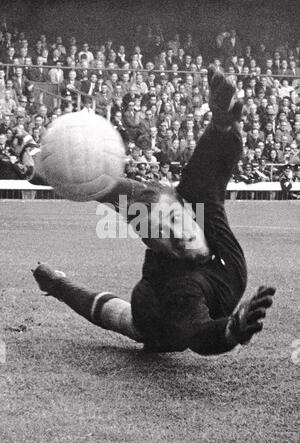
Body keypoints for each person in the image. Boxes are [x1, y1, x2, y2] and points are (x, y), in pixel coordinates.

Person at [32, 66, 276, 355]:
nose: (176, 233)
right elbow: (198, 335)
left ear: (188, 210)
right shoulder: (177, 289)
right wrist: (231, 329)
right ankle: (59, 285)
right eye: (161, 233)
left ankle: (58, 282)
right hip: (158, 316)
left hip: (193, 286)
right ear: (155, 246)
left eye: (174, 219)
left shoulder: (199, 207)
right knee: (127, 321)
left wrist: (223, 125)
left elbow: (210, 167)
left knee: (148, 197)